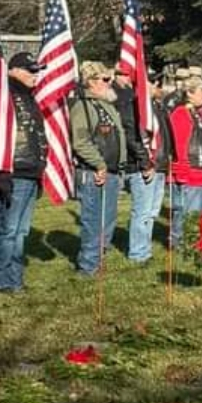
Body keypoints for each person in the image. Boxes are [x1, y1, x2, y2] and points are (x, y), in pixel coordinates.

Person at [70, 62, 142, 275]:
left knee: (108, 219)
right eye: (104, 79)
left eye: (109, 79)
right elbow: (81, 141)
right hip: (93, 172)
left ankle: (99, 259)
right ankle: (88, 266)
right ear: (91, 81)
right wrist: (98, 164)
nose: (109, 83)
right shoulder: (82, 107)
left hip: (111, 171)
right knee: (93, 220)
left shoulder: (108, 105)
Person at [0, 52, 48, 294]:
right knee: (9, 229)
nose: (36, 75)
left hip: (32, 171)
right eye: (30, 70)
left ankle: (15, 277)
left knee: (21, 231)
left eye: (37, 70)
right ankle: (2, 278)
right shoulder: (6, 95)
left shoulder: (29, 96)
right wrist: (2, 173)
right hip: (15, 172)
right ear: (14, 70)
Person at [115, 68, 166, 263]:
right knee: (142, 211)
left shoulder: (156, 107)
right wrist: (145, 163)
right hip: (141, 166)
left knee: (152, 212)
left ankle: (145, 248)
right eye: (153, 82)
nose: (157, 86)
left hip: (159, 164)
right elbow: (132, 137)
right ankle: (137, 252)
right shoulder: (133, 107)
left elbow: (164, 136)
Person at [168, 76, 202, 244]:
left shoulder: (200, 114)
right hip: (191, 173)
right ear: (189, 93)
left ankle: (197, 242)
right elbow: (180, 145)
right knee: (187, 213)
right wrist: (182, 172)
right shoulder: (181, 114)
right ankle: (180, 243)